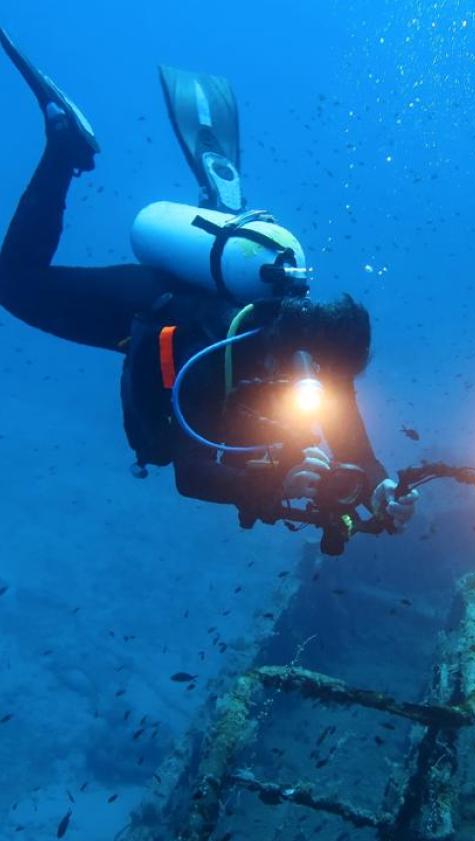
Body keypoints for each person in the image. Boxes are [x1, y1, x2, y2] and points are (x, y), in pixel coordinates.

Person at [0, 29, 417, 538]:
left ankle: (222, 213)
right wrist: (274, 482)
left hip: (223, 294)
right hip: (152, 307)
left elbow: (351, 443)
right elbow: (190, 475)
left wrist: (378, 486)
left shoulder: (319, 355)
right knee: (15, 285)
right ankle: (64, 146)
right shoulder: (216, 352)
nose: (328, 391)